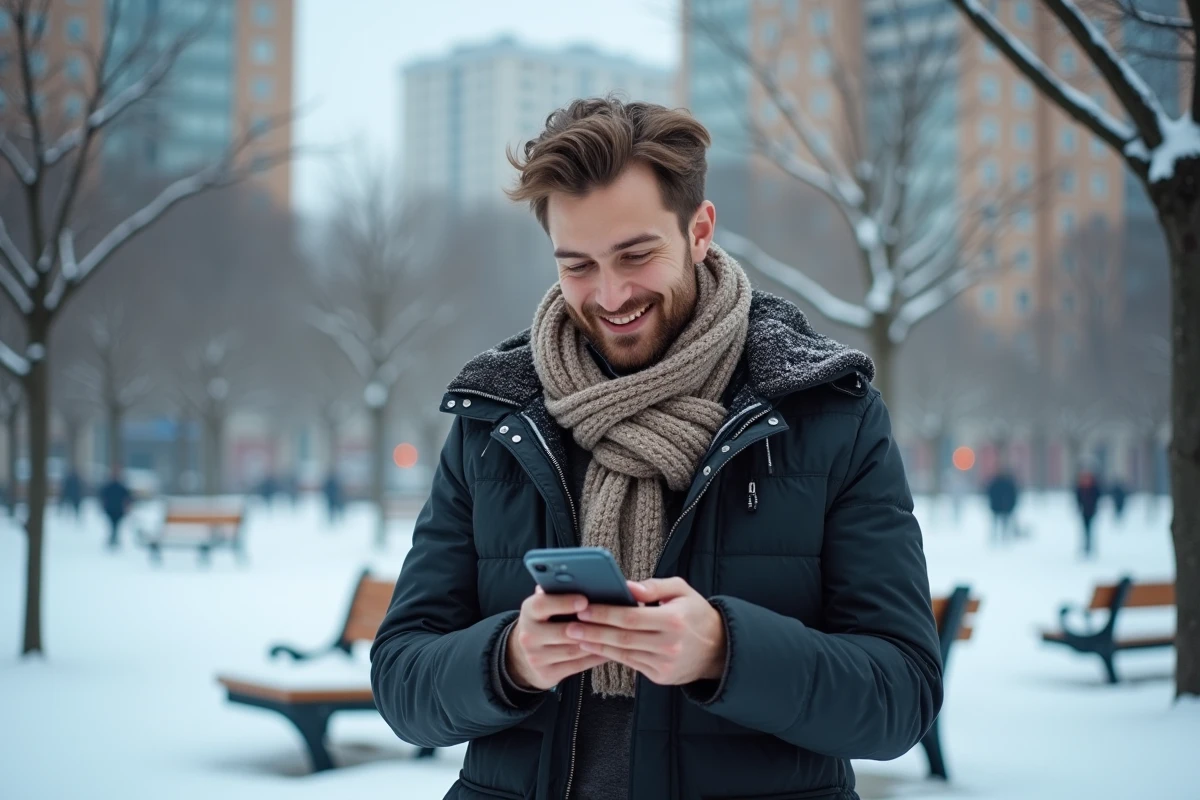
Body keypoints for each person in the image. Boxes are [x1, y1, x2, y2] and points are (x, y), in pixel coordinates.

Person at [370, 98, 943, 800]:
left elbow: (902, 697)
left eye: (635, 256)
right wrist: (509, 658)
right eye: (577, 265)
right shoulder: (497, 420)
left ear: (699, 232)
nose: (609, 295)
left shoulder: (826, 414)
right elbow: (401, 680)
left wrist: (726, 652)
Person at [99, 466, 133, 550]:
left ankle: (114, 538)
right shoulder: (108, 486)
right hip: (110, 509)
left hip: (119, 510)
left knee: (116, 525)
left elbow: (128, 497)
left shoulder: (121, 487)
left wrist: (127, 506)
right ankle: (113, 538)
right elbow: (103, 496)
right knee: (112, 525)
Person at [986, 467, 1020, 542]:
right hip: (1003, 507)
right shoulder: (1008, 483)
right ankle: (1002, 537)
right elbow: (1013, 495)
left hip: (999, 507)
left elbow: (989, 494)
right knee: (1002, 523)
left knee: (998, 523)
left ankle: (999, 537)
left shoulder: (995, 483)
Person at [1076, 468, 1103, 557]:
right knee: (1085, 529)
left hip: (1091, 511)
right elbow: (1078, 498)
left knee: (1090, 529)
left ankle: (1089, 546)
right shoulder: (1081, 488)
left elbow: (1098, 497)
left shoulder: (1093, 488)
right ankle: (1086, 546)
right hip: (1084, 511)